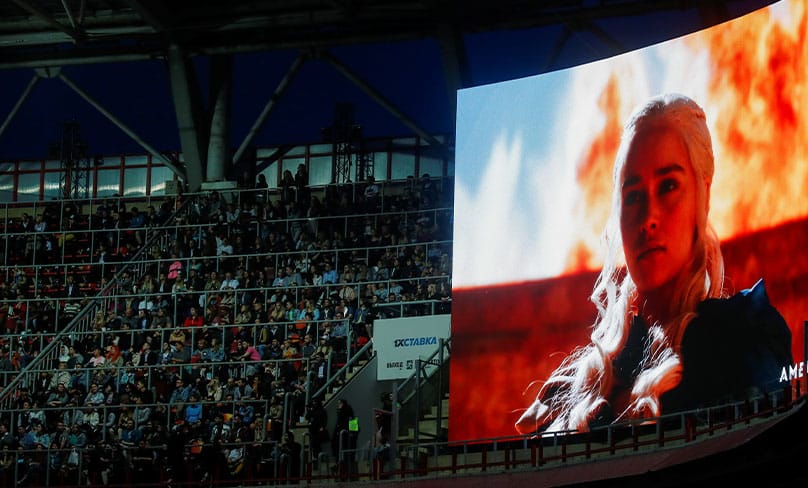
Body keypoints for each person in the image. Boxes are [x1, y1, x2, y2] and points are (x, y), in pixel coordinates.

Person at [514, 93, 792, 435]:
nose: (648, 218)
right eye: (633, 196)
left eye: (669, 186)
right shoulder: (586, 379)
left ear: (702, 198)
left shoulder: (742, 338)